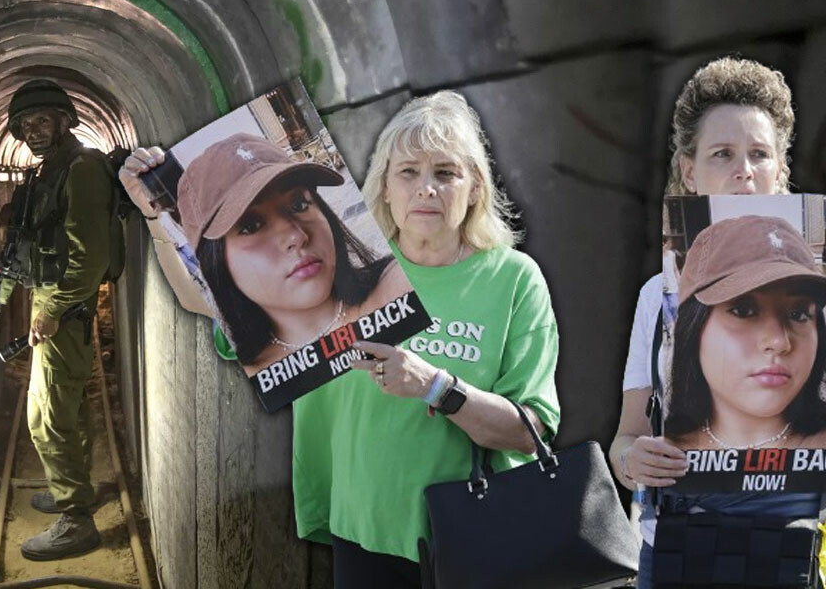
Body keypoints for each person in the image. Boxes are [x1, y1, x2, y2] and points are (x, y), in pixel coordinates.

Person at [121, 91, 560, 587]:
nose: (426, 190)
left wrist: (437, 386)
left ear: (475, 186)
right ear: (386, 187)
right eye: (408, 172)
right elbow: (201, 300)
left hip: (474, 535)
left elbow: (532, 430)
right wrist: (156, 216)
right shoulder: (327, 291)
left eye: (446, 172)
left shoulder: (513, 279)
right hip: (361, 534)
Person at [607, 56, 821, 587]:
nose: (743, 170)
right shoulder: (658, 296)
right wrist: (636, 462)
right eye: (722, 154)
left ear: (780, 169)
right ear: (689, 169)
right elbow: (624, 440)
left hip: (791, 551)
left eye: (759, 154)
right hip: (678, 554)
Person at [173, 133, 411, 377]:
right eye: (251, 226)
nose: (296, 236)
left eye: (299, 204)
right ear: (217, 263)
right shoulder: (249, 376)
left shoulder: (398, 285)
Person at [3, 78, 113, 560]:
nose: (33, 130)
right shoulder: (55, 168)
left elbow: (89, 258)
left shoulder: (81, 169)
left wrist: (52, 309)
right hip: (54, 298)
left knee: (45, 415)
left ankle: (75, 518)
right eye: (25, 125)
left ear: (65, 121)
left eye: (42, 120)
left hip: (64, 303)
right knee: (66, 403)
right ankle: (73, 487)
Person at [664, 216, 826, 451]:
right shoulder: (662, 456)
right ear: (693, 328)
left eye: (799, 314)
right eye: (743, 310)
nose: (779, 342)